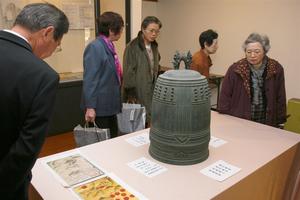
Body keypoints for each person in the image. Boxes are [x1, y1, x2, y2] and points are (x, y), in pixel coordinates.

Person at [0, 3, 69, 200]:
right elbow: (26, 149)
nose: (52, 52)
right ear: (48, 32)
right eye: (57, 45)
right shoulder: (42, 75)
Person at [218, 33, 286, 127]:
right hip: (240, 119)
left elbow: (280, 96)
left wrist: (281, 119)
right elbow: (225, 96)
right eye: (249, 52)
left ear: (265, 51)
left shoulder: (276, 68)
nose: (252, 55)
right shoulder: (236, 69)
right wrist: (226, 118)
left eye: (257, 51)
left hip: (267, 119)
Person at [81, 12, 124, 138]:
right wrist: (90, 107)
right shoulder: (95, 47)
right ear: (111, 30)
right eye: (120, 29)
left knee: (112, 138)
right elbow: (90, 79)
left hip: (109, 104)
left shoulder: (108, 45)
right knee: (101, 142)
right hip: (99, 106)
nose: (121, 32)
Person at [123, 16, 162, 125]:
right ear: (143, 29)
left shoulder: (154, 46)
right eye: (151, 31)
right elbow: (128, 73)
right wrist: (131, 95)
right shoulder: (132, 46)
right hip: (137, 93)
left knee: (150, 123)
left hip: (151, 91)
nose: (154, 34)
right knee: (136, 126)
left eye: (157, 32)